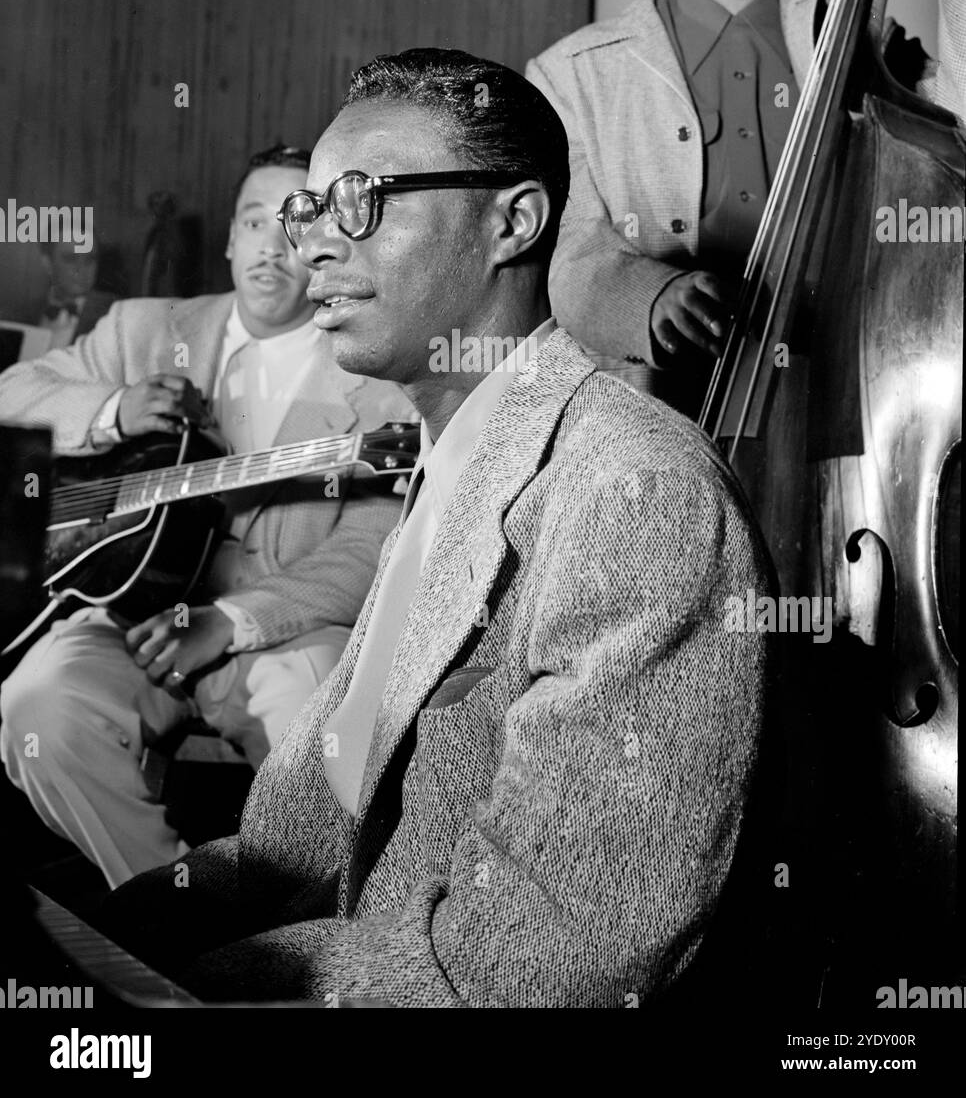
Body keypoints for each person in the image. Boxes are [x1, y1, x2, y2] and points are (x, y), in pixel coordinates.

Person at [99, 49, 771, 1009]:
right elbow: (292, 852)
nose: (312, 249)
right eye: (307, 212)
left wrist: (194, 995)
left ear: (514, 222)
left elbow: (539, 964)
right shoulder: (450, 462)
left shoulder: (643, 494)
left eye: (362, 200)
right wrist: (112, 943)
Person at [0, 143, 414, 889]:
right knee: (37, 704)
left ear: (324, 244)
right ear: (229, 239)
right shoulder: (142, 329)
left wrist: (233, 619)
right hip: (126, 616)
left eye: (296, 223)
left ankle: (304, 936)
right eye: (255, 221)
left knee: (316, 724)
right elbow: (12, 394)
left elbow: (374, 543)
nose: (271, 245)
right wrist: (110, 411)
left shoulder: (369, 370)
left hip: (276, 626)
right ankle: (172, 908)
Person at [527, 0, 966, 412]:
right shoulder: (570, 76)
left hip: (850, 410)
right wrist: (652, 299)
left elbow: (959, 134)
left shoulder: (851, 36)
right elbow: (573, 257)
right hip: (661, 429)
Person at [37, 234, 118, 349]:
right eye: (71, 259)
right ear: (48, 263)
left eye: (89, 259)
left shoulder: (114, 314)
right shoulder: (22, 312)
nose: (81, 268)